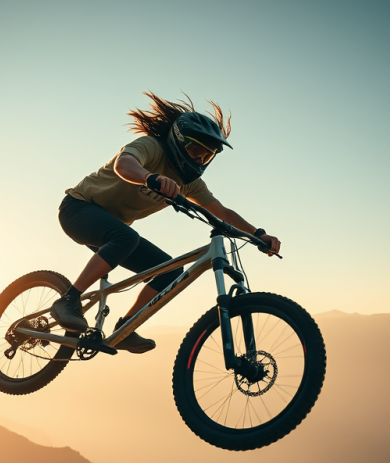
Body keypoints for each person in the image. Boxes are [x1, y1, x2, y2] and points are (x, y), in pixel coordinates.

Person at [51, 92, 281, 353]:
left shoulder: (189, 182)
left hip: (112, 230)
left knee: (170, 271)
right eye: (195, 150)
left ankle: (125, 328)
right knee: (126, 237)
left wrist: (258, 235)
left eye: (205, 156)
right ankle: (69, 300)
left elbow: (222, 211)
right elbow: (124, 164)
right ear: (180, 142)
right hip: (78, 209)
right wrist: (149, 177)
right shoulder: (152, 147)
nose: (198, 159)